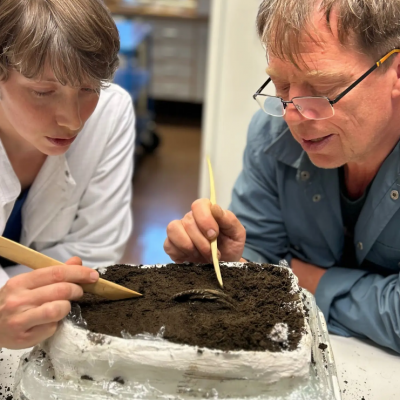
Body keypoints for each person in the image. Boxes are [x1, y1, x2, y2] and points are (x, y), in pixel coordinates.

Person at [164, 0, 400, 353]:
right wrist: (232, 264)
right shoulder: (271, 133)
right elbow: (259, 266)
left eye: (322, 89)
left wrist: (312, 280)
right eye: (281, 85)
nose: (293, 116)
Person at [0, 0, 135, 349]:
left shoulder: (110, 113)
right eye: (43, 92)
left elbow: (96, 253)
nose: (73, 120)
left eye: (89, 89)